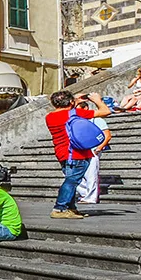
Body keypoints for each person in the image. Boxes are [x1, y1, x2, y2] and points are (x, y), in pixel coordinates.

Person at [44, 90, 110, 219]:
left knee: (72, 180)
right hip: (75, 153)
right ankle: (59, 208)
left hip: (62, 153)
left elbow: (67, 113)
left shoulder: (50, 116)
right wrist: (97, 100)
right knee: (72, 181)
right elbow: (105, 111)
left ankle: (71, 208)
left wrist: (74, 101)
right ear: (70, 102)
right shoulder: (75, 113)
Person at [76, 101, 112, 205]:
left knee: (91, 173)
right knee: (78, 173)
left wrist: (99, 147)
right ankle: (84, 193)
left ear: (86, 108)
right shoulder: (79, 121)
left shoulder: (97, 120)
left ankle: (91, 197)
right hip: (82, 148)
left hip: (93, 148)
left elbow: (107, 135)